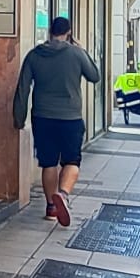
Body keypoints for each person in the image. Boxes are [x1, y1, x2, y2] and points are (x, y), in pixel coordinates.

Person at [14, 16, 101, 226]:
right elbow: (94, 76)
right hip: (70, 118)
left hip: (42, 117)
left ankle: (51, 208)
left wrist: (18, 118)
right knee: (71, 161)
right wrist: (83, 51)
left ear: (49, 31)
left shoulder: (34, 55)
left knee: (48, 163)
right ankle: (63, 194)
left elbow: (23, 89)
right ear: (68, 32)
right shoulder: (76, 53)